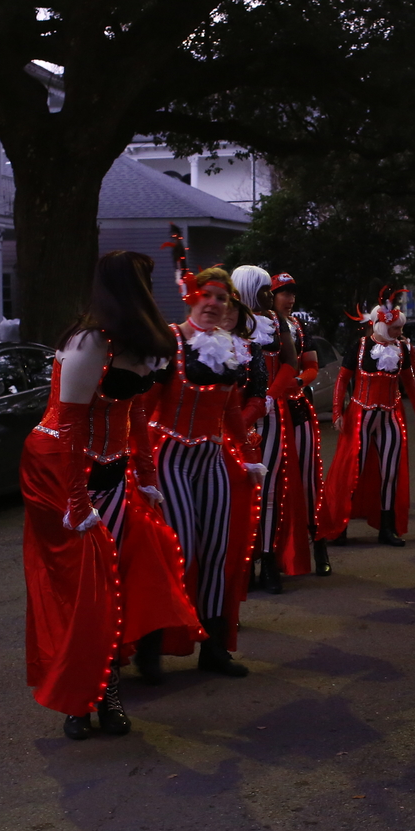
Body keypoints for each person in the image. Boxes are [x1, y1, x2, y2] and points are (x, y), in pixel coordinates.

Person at [21, 251, 204, 739]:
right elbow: (71, 426)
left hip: (112, 471)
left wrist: (145, 475)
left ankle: (108, 691)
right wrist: (78, 506)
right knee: (85, 594)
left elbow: (136, 413)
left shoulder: (141, 341)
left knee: (121, 583)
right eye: (144, 279)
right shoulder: (88, 343)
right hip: (58, 474)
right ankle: (82, 700)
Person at [135, 266, 266, 680]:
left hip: (211, 460)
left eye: (221, 298)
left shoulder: (231, 347)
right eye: (206, 295)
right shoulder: (169, 342)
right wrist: (141, 468)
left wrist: (247, 455)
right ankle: (151, 647)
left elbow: (230, 411)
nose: (213, 304)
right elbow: (141, 409)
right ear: (192, 297)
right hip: (169, 455)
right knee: (181, 552)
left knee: (216, 554)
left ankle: (214, 649)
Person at [321, 286, 415, 546]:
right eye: (394, 329)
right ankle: (340, 525)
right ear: (380, 326)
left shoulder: (401, 350)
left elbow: (409, 381)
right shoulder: (359, 347)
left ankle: (387, 528)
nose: (399, 333)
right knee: (351, 470)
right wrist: (337, 411)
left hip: (390, 415)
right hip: (361, 414)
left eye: (400, 329)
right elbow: (342, 379)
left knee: (390, 472)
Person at [231, 265, 297, 593]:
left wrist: (271, 395)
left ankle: (269, 559)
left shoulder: (276, 322)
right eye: (262, 289)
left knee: (269, 489)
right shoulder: (228, 323)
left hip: (268, 416)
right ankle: (242, 563)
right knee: (238, 491)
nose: (269, 295)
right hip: (233, 419)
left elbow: (291, 363)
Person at [271, 272, 331, 577]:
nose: (290, 299)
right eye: (284, 292)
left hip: (296, 409)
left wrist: (295, 380)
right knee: (272, 488)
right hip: (267, 414)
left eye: (292, 293)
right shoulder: (256, 327)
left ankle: (318, 546)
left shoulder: (299, 326)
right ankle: (271, 556)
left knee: (309, 482)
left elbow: (312, 366)